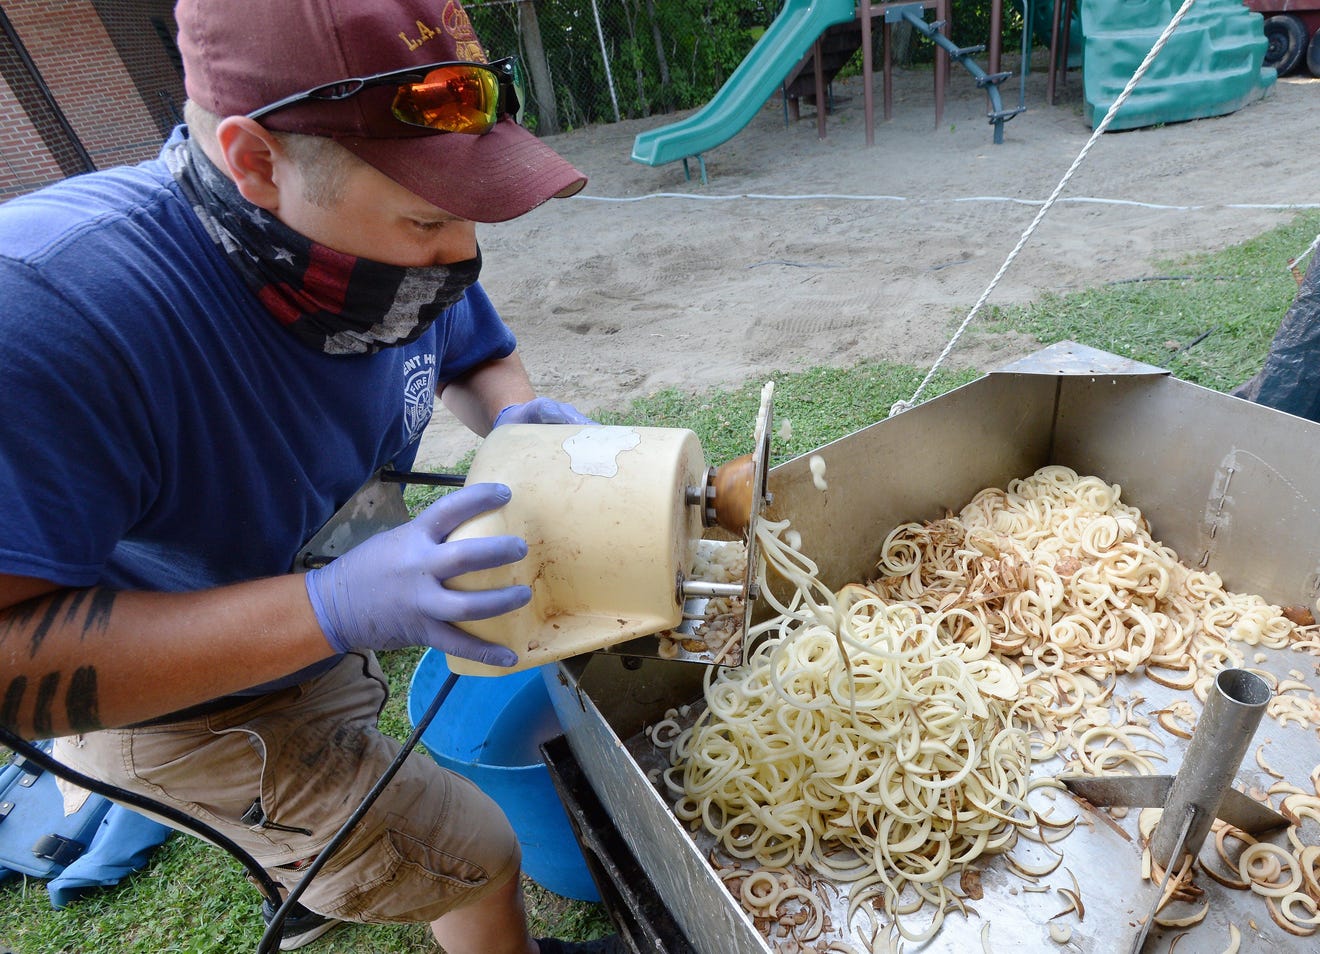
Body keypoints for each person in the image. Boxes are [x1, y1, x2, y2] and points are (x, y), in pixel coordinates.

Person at [0, 0, 625, 952]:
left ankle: (296, 870)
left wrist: (517, 423)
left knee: (355, 751)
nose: (460, 253)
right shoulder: (49, 315)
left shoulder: (381, 253)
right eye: (429, 217)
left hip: (312, 601)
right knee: (473, 853)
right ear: (256, 161)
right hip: (181, 702)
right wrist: (330, 607)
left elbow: (474, 351)